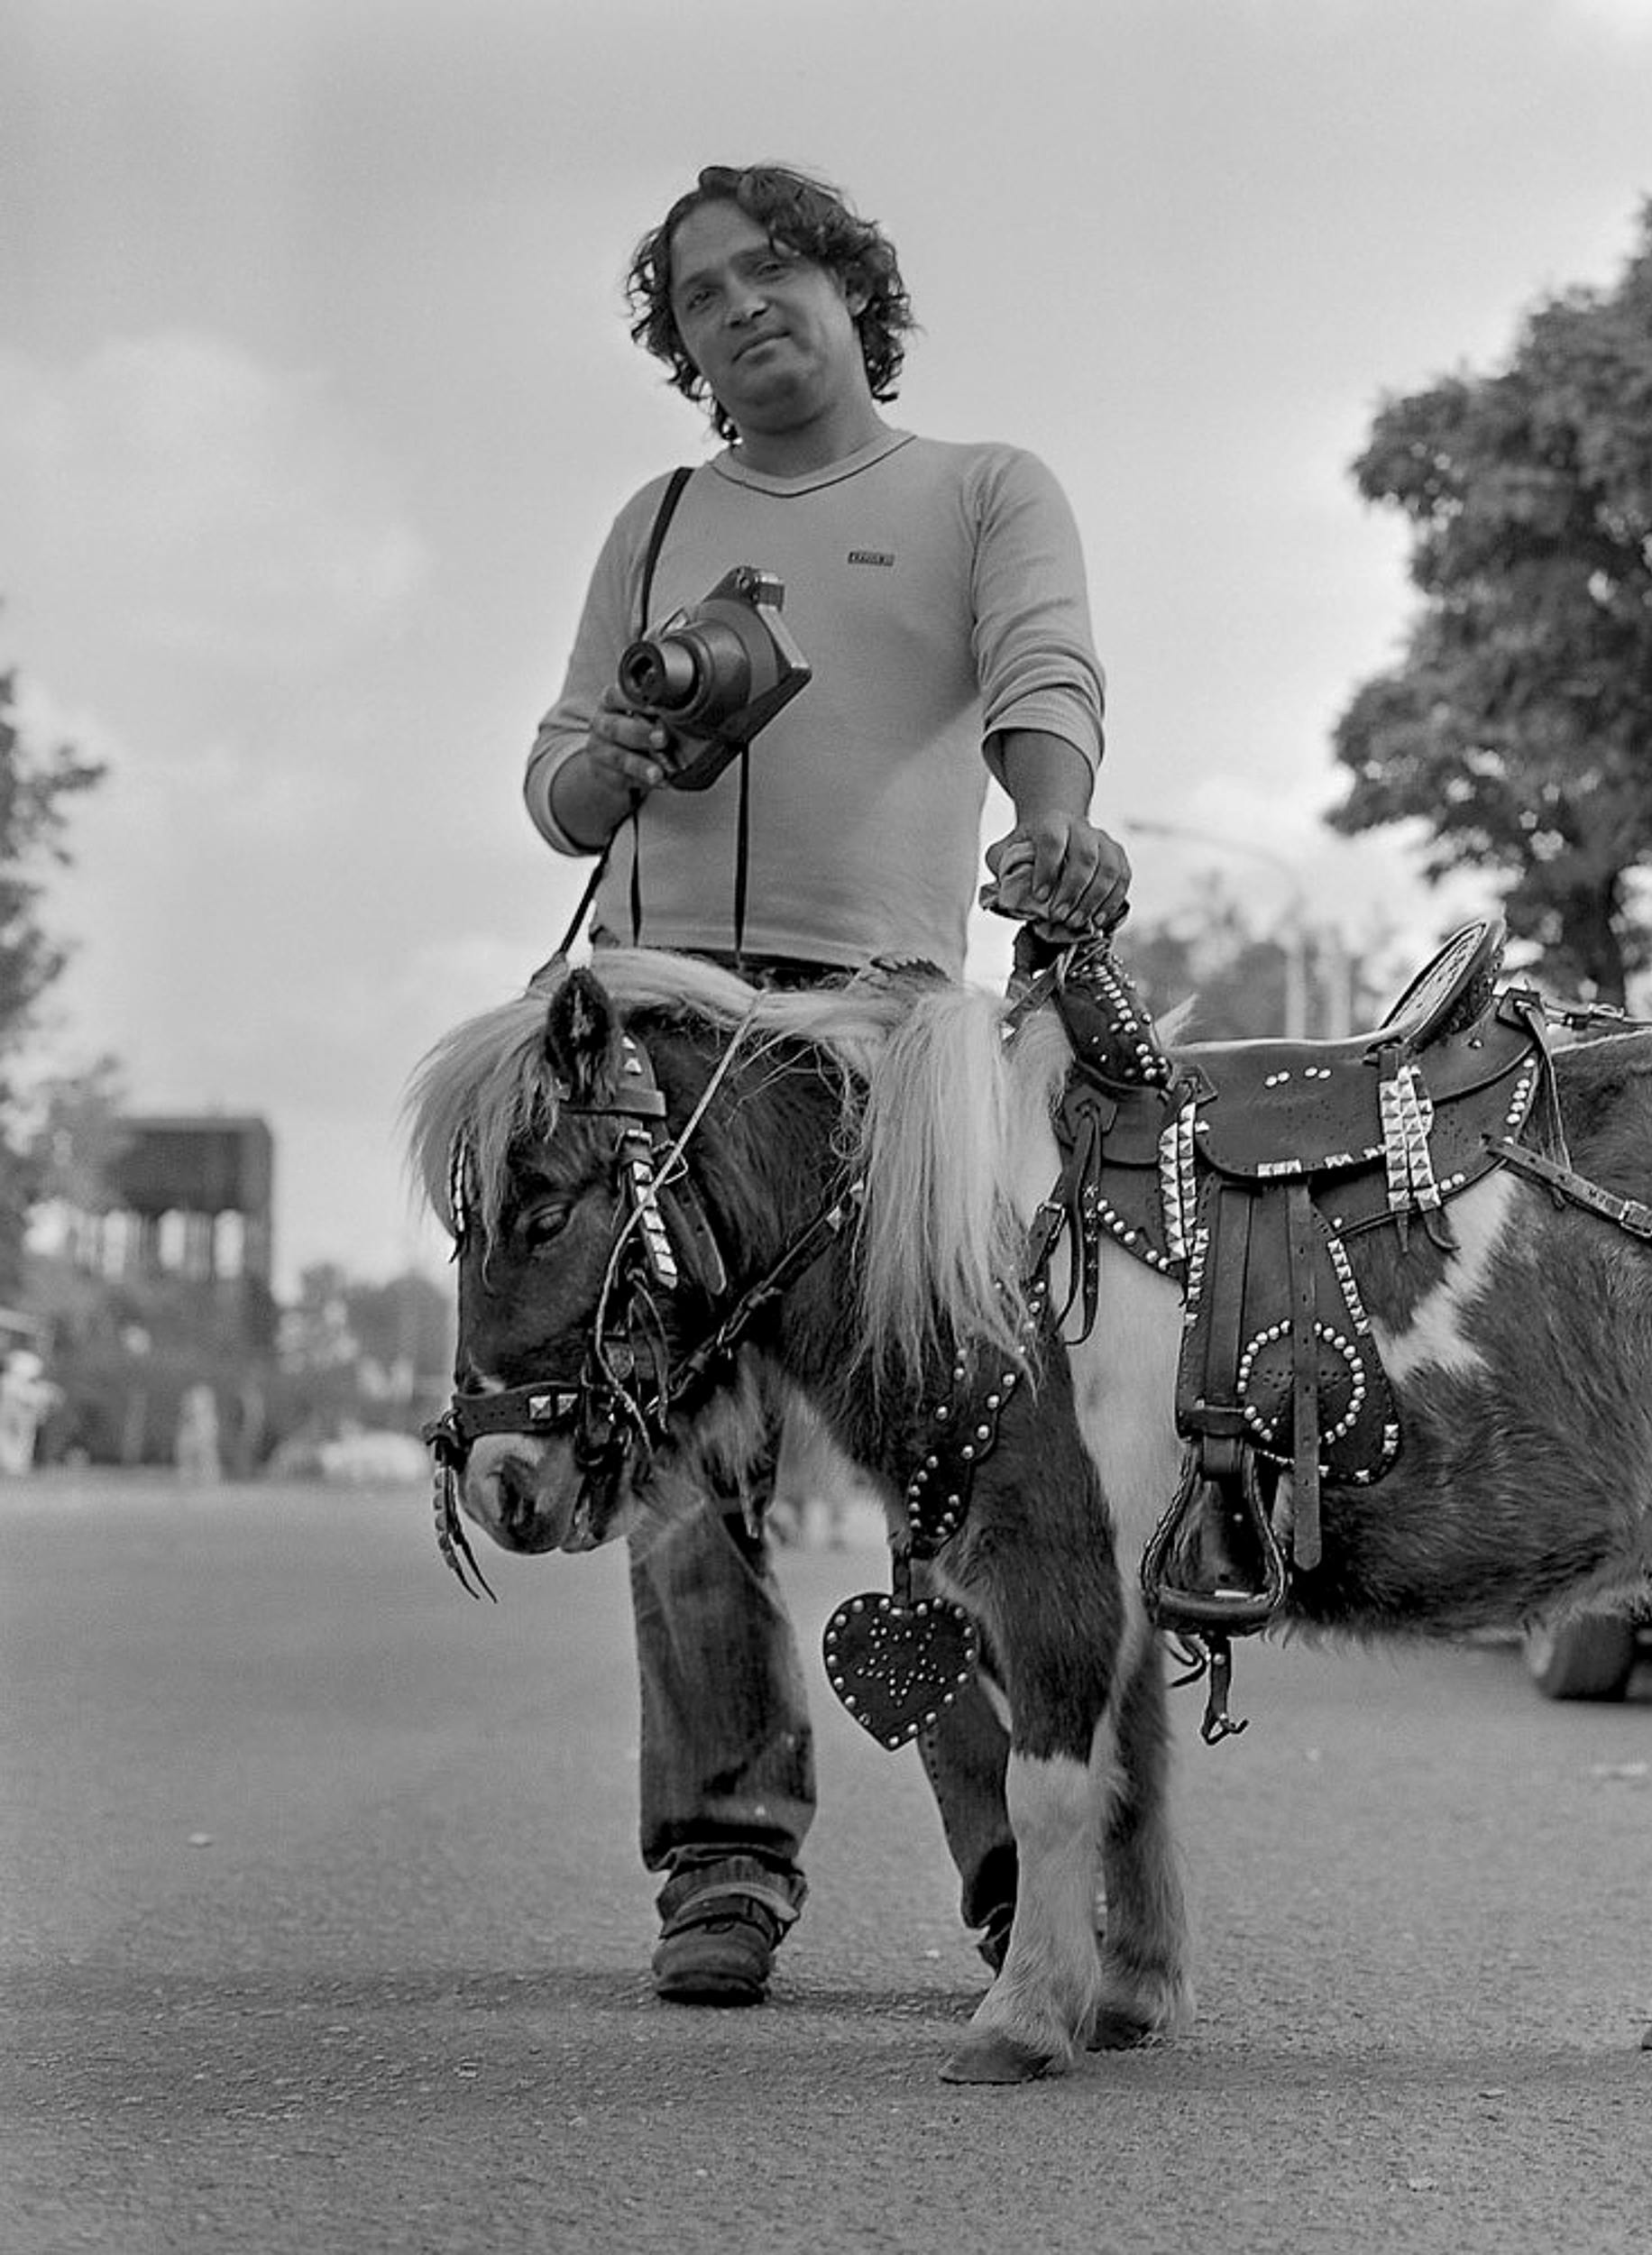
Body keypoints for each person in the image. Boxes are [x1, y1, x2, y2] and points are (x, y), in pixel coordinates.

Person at [523, 164, 1129, 2006]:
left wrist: (1054, 833)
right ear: (683, 351)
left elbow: (1045, 670)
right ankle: (720, 1867)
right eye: (699, 298)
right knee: (681, 1468)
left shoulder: (974, 488)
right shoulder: (654, 522)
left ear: (853, 287)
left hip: (876, 1037)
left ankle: (1019, 1866)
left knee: (939, 1462)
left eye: (771, 267)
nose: (741, 307)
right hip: (662, 1034)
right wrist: (611, 762)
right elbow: (553, 789)